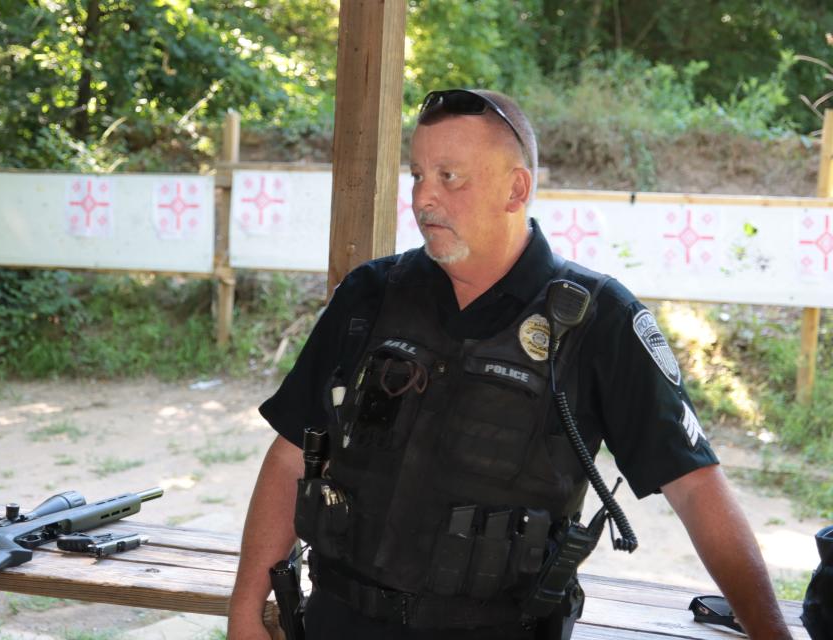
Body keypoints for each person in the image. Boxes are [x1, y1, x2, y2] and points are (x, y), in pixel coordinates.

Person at [228, 88, 793, 639]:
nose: (424, 198)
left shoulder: (598, 321)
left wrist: (773, 635)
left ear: (515, 189)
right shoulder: (370, 296)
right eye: (418, 175)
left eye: (450, 177)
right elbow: (290, 455)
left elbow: (695, 487)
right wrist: (244, 608)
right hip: (339, 622)